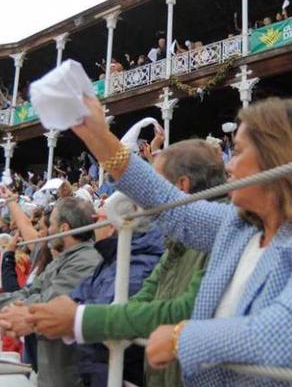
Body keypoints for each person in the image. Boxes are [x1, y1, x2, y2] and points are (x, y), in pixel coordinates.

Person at [62, 94, 292, 385]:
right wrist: (97, 135)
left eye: (237, 152)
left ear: (278, 157)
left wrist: (181, 338)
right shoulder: (242, 228)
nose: (229, 166)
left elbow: (289, 333)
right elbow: (166, 203)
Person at [29, 139, 224, 387]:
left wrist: (81, 319)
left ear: (181, 186)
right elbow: (142, 299)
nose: (142, 200)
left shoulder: (218, 233)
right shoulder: (176, 242)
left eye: (154, 184)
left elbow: (186, 309)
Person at [0, 197, 101, 387]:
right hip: (54, 370)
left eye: (50, 225)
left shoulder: (86, 261)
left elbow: (45, 305)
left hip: (71, 375)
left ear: (64, 229)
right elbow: (28, 293)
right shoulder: (66, 259)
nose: (48, 231)